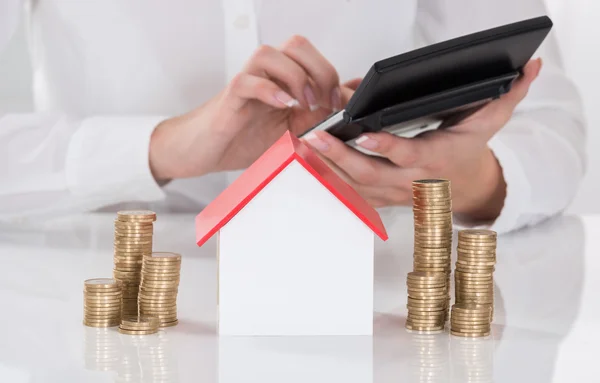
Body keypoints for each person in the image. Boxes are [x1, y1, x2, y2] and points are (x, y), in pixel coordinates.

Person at [0, 0, 585, 234]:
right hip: (97, 315)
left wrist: (468, 180)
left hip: (376, 307)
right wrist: (162, 148)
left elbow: (552, 125)